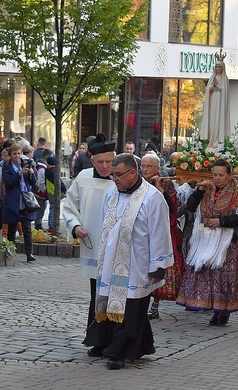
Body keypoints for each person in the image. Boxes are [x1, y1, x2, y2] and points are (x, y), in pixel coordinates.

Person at [82, 153, 174, 370]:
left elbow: (160, 232)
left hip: (137, 264)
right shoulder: (112, 194)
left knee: (131, 308)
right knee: (114, 305)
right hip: (111, 262)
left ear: (133, 173)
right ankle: (128, 344)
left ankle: (120, 351)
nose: (114, 179)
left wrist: (159, 266)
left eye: (118, 174)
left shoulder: (152, 197)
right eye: (113, 175)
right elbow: (107, 224)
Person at [177, 159, 238, 325]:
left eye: (221, 175)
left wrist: (222, 222)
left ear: (230, 175)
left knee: (225, 276)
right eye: (215, 174)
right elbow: (189, 208)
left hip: (228, 242)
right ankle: (212, 307)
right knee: (208, 274)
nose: (217, 178)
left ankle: (224, 311)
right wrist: (198, 192)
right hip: (206, 238)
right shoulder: (205, 189)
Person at [62, 134, 117, 342]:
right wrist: (75, 226)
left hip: (118, 248)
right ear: (91, 159)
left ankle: (115, 340)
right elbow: (69, 206)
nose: (105, 167)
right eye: (101, 162)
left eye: (110, 162)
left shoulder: (121, 178)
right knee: (97, 294)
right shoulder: (83, 178)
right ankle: (97, 339)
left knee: (117, 293)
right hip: (94, 246)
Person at [140, 153, 185, 320]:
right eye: (143, 166)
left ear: (157, 168)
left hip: (162, 229)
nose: (145, 169)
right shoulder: (138, 182)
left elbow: (172, 210)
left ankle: (155, 306)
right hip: (143, 230)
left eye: (148, 166)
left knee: (157, 266)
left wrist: (160, 191)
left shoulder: (166, 184)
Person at [1, 142, 37, 262]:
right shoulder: (7, 167)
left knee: (27, 228)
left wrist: (32, 174)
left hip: (26, 201)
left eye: (19, 153)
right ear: (10, 155)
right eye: (14, 154)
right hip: (13, 201)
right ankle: (11, 253)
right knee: (11, 228)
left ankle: (30, 254)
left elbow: (34, 183)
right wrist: (19, 174)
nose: (17, 156)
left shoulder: (26, 163)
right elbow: (9, 183)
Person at [199, 59, 230, 147]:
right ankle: (211, 139)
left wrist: (217, 86)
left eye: (219, 67)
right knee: (212, 119)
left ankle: (217, 140)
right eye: (216, 66)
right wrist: (213, 86)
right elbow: (209, 89)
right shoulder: (212, 77)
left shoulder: (225, 78)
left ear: (223, 68)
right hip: (213, 100)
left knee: (218, 119)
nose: (218, 68)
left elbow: (225, 90)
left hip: (220, 101)